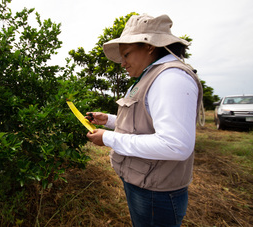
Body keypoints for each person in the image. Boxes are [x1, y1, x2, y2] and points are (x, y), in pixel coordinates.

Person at [85, 14, 203, 227]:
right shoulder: (149, 76)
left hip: (157, 194)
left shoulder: (170, 78)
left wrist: (109, 139)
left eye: (127, 54)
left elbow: (175, 145)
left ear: (149, 46)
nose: (123, 63)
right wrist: (109, 120)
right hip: (144, 185)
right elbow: (145, 121)